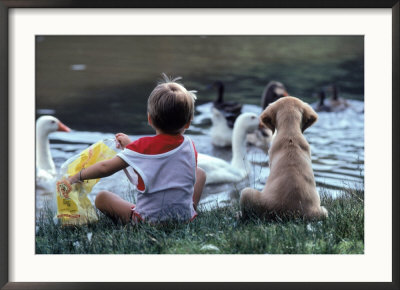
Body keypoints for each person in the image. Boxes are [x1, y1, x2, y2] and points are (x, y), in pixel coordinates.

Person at [67, 75, 206, 224]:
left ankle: (143, 217)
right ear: (188, 123)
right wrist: (130, 147)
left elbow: (104, 167)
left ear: (150, 119)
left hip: (148, 221)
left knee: (102, 198)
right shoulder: (189, 145)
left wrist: (77, 176)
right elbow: (160, 159)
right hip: (183, 218)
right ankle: (188, 211)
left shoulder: (142, 147)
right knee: (200, 173)